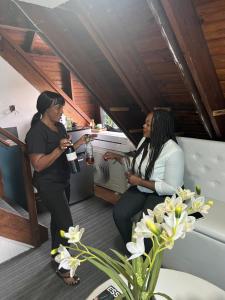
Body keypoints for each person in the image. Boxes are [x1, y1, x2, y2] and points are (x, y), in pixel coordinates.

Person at [25, 91, 91, 285]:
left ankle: (56, 255)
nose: (62, 111)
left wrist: (79, 142)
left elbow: (66, 149)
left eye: (62, 106)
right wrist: (58, 149)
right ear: (46, 109)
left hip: (63, 180)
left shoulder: (60, 126)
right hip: (48, 184)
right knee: (67, 225)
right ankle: (64, 269)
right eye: (58, 107)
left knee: (57, 220)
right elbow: (38, 165)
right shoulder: (35, 133)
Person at [103, 108, 184, 250]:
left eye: (148, 124)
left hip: (164, 194)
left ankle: (144, 257)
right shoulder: (145, 141)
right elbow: (138, 162)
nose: (143, 126)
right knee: (119, 213)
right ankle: (132, 248)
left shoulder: (174, 151)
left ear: (159, 127)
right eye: (145, 123)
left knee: (145, 225)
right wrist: (118, 157)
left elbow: (172, 187)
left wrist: (138, 181)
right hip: (142, 187)